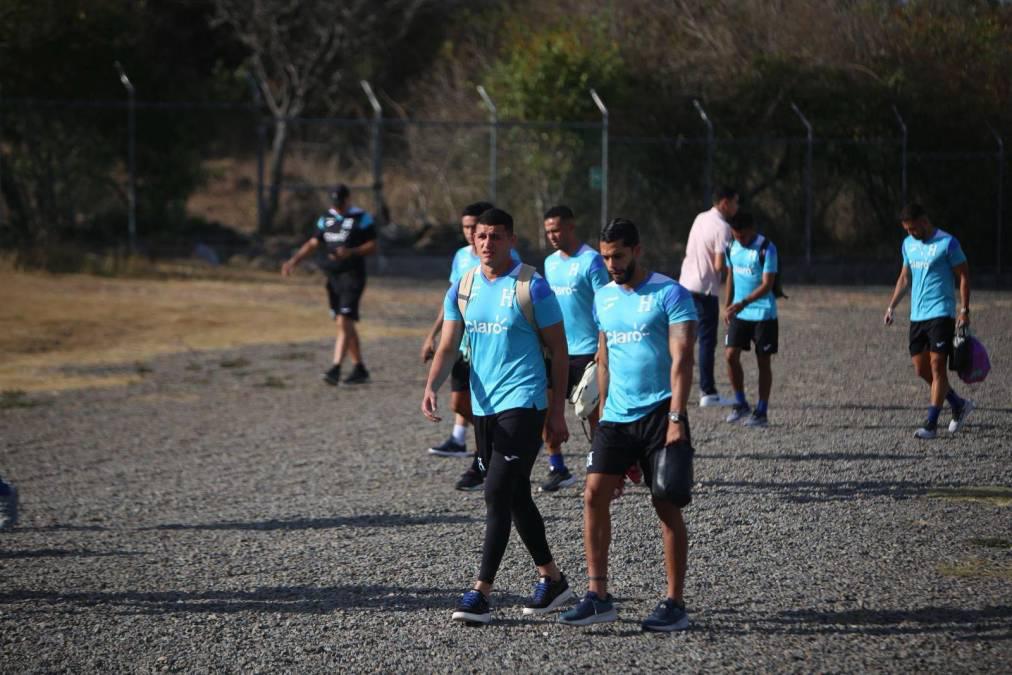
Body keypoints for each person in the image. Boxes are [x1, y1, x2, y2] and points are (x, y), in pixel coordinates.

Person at [421, 207, 573, 624]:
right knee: (517, 493)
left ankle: (480, 592)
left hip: (524, 402)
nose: (487, 243)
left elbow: (559, 351)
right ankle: (554, 581)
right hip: (485, 407)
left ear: (512, 240)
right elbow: (450, 345)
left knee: (495, 492)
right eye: (481, 236)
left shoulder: (531, 286)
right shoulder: (464, 285)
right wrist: (431, 385)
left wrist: (557, 412)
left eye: (496, 237)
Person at [559, 218, 698, 632]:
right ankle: (598, 595)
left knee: (665, 503)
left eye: (617, 255)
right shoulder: (603, 297)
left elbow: (683, 359)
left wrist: (676, 418)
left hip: (660, 415)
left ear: (637, 250)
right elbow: (603, 357)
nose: (611, 264)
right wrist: (597, 416)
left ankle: (674, 602)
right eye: (604, 256)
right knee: (593, 494)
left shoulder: (670, 293)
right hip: (616, 418)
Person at [884, 203, 973, 439]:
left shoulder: (948, 243)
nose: (911, 233)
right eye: (907, 230)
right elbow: (905, 277)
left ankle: (931, 424)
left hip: (941, 313)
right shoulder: (908, 244)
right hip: (917, 316)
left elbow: (964, 275)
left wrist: (964, 310)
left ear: (924, 220)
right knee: (921, 369)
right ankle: (957, 403)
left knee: (937, 366)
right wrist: (892, 306)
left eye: (913, 228)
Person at [540, 205, 609, 492]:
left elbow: (607, 303)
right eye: (547, 232)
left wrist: (603, 347)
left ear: (570, 226)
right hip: (557, 350)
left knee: (593, 413)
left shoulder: (592, 261)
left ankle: (601, 466)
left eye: (556, 230)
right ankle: (557, 467)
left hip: (587, 350)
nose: (552, 236)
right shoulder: (550, 263)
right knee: (546, 408)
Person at [420, 201, 495, 460]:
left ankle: (487, 444)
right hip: (461, 341)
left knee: (471, 399)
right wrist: (433, 334)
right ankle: (465, 440)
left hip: (486, 340)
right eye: (465, 227)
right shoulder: (461, 257)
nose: (469, 232)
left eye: (474, 227)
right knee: (460, 400)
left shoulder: (503, 258)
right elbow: (450, 300)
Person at [281, 184, 377, 385]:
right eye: (335, 203)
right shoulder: (326, 218)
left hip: (353, 275)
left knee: (344, 321)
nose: (339, 207)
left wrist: (352, 252)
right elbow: (313, 243)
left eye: (341, 202)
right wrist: (293, 261)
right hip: (333, 277)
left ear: (348, 199)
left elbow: (373, 245)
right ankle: (360, 368)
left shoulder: (361, 217)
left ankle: (335, 368)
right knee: (345, 323)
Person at [680, 186, 738, 407]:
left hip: (685, 284)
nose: (736, 207)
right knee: (706, 341)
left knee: (684, 340)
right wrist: (733, 278)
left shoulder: (700, 218)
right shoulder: (723, 227)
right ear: (724, 202)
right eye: (735, 202)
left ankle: (672, 387)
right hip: (705, 290)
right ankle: (708, 392)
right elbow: (718, 264)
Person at [722, 212, 778, 427]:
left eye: (743, 236)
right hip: (739, 311)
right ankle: (740, 402)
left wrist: (742, 303)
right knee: (729, 356)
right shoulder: (731, 247)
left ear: (752, 229)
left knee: (763, 361)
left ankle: (761, 410)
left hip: (763, 314)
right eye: (736, 236)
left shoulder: (767, 248)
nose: (740, 240)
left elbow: (767, 284)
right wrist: (728, 306)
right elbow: (731, 276)